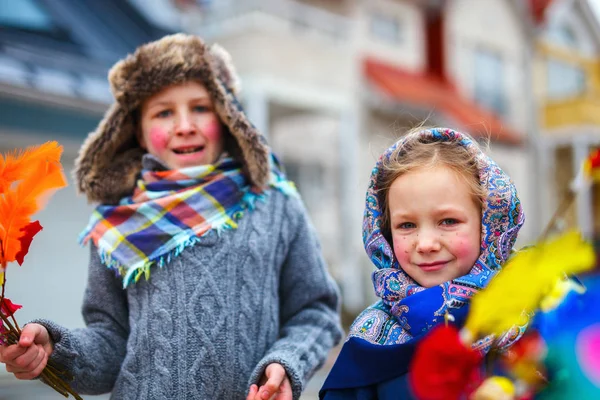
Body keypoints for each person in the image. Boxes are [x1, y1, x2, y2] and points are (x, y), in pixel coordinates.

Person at [0, 33, 342, 400]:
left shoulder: (274, 204)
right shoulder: (117, 225)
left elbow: (316, 312)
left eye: (200, 107)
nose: (184, 125)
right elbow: (110, 341)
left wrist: (286, 362)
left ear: (227, 116)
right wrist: (55, 350)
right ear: (139, 133)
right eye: (164, 112)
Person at [320, 127, 526, 399]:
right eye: (406, 225)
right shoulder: (368, 342)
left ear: (489, 224)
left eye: (448, 221)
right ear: (383, 232)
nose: (426, 243)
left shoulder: (539, 311)